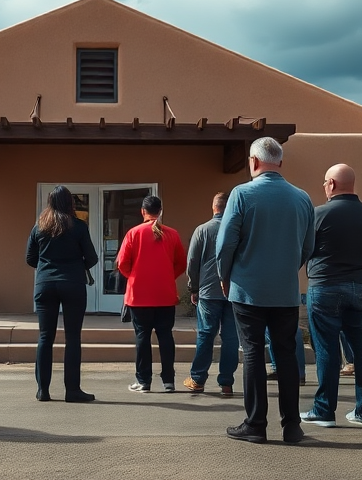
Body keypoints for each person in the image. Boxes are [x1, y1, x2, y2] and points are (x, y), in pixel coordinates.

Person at [216, 137, 315, 444]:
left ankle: (256, 423)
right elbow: (307, 247)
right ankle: (292, 426)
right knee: (285, 355)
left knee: (254, 353)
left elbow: (225, 243)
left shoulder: (242, 194)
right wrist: (285, 268)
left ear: (254, 162)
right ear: (280, 163)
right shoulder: (303, 198)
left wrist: (225, 275)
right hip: (285, 289)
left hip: (248, 288)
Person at [301, 164, 362, 429]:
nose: (324, 187)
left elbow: (306, 250)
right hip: (359, 286)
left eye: (325, 182)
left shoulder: (319, 214)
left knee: (326, 349)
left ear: (332, 184)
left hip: (325, 286)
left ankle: (324, 411)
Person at [26, 185, 98, 403]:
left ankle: (43, 390)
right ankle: (72, 390)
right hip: (73, 284)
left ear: (50, 202)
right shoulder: (78, 226)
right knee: (73, 337)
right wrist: (77, 264)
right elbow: (92, 258)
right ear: (70, 203)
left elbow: (30, 259)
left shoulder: (39, 227)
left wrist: (47, 265)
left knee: (45, 337)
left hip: (45, 284)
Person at [117, 195, 186, 394]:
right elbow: (181, 263)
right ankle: (169, 381)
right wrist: (166, 276)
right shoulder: (172, 234)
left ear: (143, 212)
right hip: (165, 295)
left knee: (142, 337)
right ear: (160, 211)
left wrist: (135, 276)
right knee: (166, 337)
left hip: (139, 296)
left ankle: (144, 380)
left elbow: (122, 263)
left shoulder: (133, 233)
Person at [183, 192, 238, 397]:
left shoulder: (202, 230)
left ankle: (198, 379)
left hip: (208, 291)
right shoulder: (237, 230)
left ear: (213, 207)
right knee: (231, 338)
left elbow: (192, 262)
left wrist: (193, 288)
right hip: (233, 290)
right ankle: (226, 383)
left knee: (206, 334)